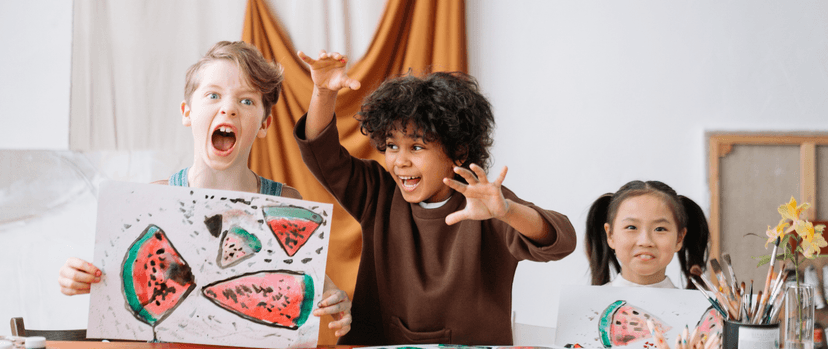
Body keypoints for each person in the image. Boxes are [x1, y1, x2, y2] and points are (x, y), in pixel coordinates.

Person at [57, 41, 352, 337]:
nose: (229, 108)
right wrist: (78, 276)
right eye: (213, 95)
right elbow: (118, 276)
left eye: (246, 101)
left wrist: (334, 298)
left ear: (264, 124)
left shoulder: (285, 202)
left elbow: (307, 279)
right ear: (187, 112)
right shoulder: (154, 198)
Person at [293, 50, 577, 345]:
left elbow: (561, 240)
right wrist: (323, 93)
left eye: (416, 147)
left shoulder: (486, 203)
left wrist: (508, 212)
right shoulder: (378, 193)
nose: (400, 161)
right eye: (392, 146)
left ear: (458, 151)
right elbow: (321, 153)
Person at [584, 180, 710, 288]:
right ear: (610, 235)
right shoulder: (588, 305)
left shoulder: (701, 308)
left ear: (679, 239)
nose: (645, 241)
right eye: (631, 227)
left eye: (660, 229)